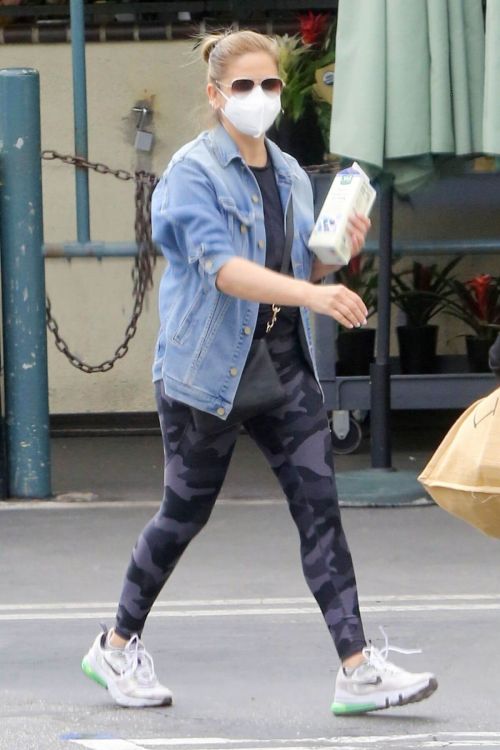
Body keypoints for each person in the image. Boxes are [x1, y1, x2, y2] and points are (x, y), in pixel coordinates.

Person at [81, 29, 438, 715]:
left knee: (320, 511)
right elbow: (225, 270)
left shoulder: (292, 173)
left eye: (270, 84)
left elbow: (294, 268)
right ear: (215, 96)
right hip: (206, 374)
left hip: (282, 364)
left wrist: (335, 259)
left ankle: (356, 668)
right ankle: (116, 645)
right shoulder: (191, 174)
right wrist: (313, 293)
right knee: (182, 514)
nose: (260, 97)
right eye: (243, 86)